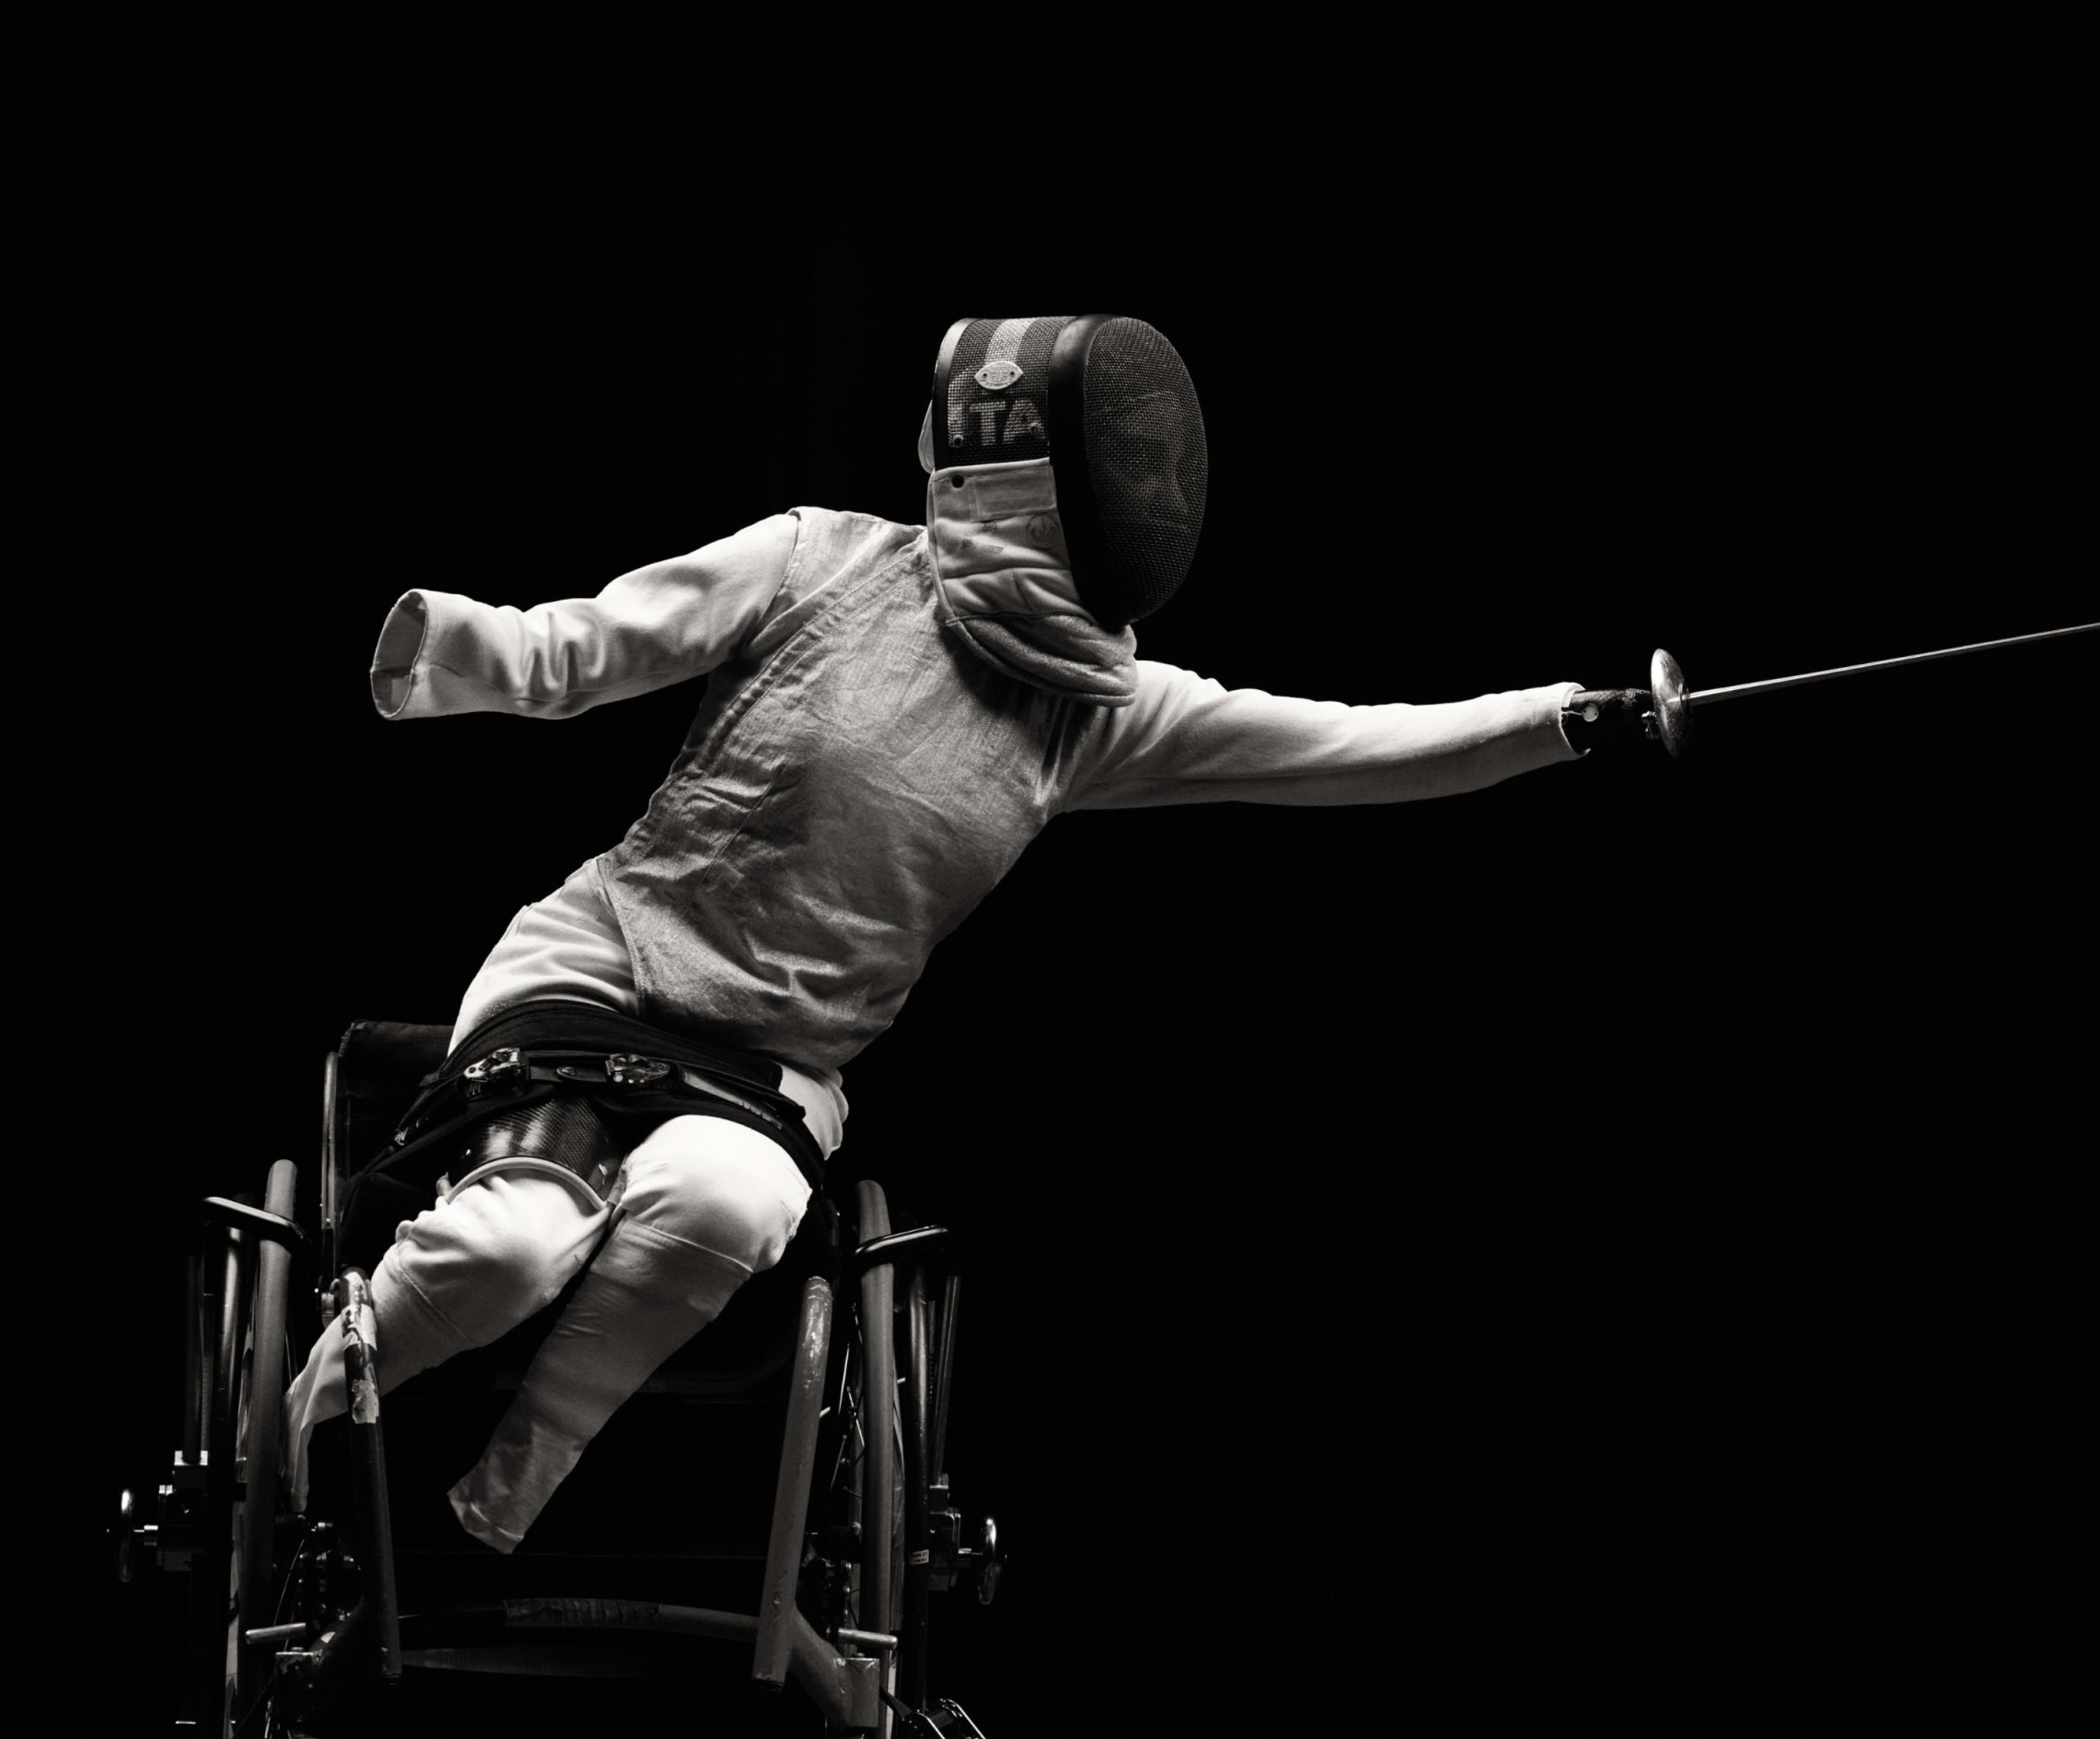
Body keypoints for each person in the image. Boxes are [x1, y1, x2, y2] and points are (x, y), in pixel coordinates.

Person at [284, 315, 1657, 1551]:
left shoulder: (1092, 712)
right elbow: (583, 648)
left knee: (725, 1208)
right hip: (594, 975)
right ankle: (285, 1448)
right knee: (512, 1246)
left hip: (765, 1072)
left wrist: (1566, 719)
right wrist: (460, 649)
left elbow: (1352, 748)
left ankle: (496, 1502)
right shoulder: (817, 559)